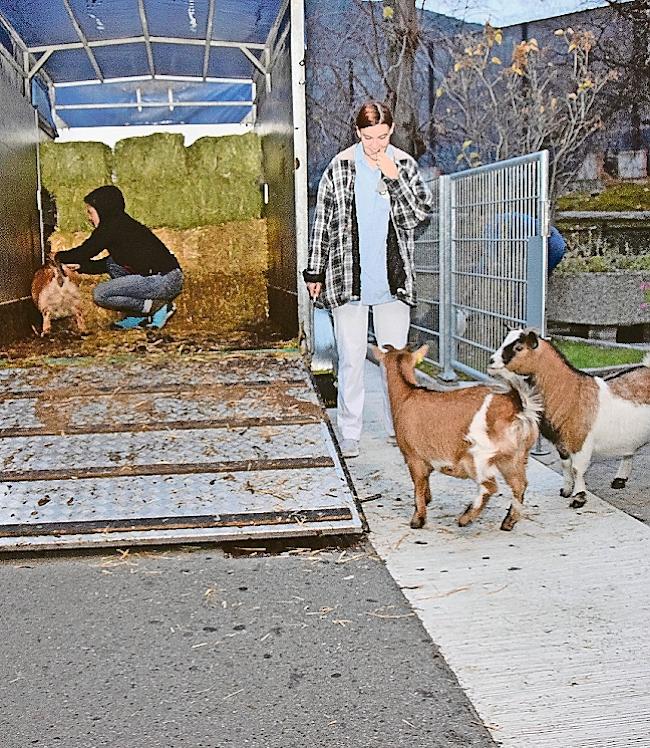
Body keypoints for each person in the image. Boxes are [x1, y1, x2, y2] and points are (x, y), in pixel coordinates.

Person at [303, 100, 432, 458]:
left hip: (393, 282)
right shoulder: (340, 167)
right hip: (347, 279)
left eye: (383, 136)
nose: (376, 144)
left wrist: (393, 180)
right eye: (369, 136)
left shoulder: (404, 164)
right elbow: (323, 224)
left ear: (391, 131)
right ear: (357, 132)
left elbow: (417, 218)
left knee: (396, 362)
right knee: (351, 358)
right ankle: (350, 432)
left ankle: (401, 429)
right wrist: (314, 272)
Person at [56, 185, 183, 330]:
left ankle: (156, 307)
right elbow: (111, 263)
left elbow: (85, 251)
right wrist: (82, 267)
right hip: (162, 277)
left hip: (163, 279)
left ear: (103, 210)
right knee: (113, 263)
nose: (89, 218)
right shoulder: (122, 225)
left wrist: (58, 257)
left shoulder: (111, 227)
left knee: (101, 294)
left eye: (90, 212)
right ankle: (139, 316)